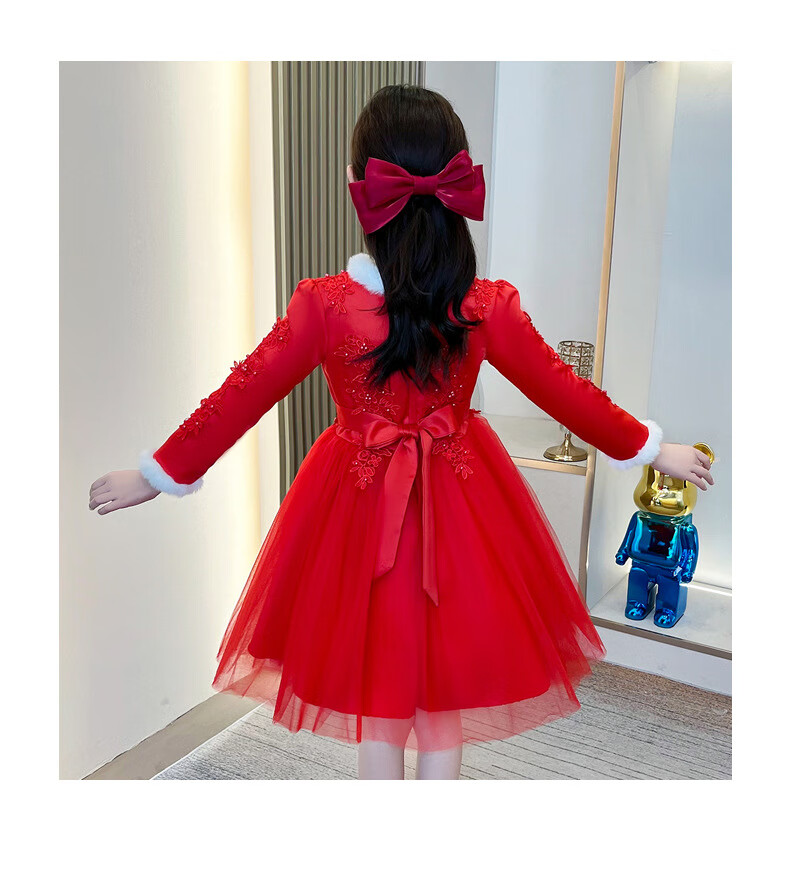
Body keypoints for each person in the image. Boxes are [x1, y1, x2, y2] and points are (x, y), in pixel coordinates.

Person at [88, 84, 714, 780]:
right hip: (465, 504)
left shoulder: (325, 305)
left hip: (355, 508)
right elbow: (567, 393)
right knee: (441, 695)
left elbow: (244, 391)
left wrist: (157, 473)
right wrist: (653, 448)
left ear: (357, 185)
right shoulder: (484, 304)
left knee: (379, 691)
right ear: (456, 184)